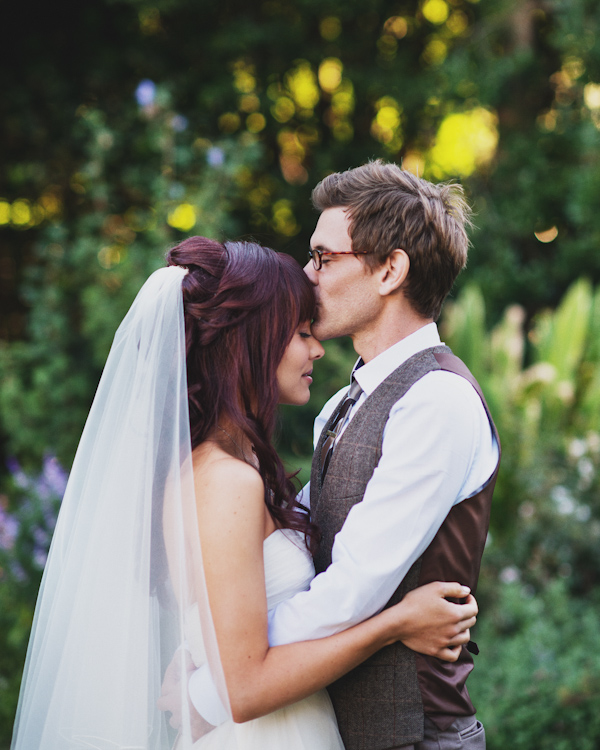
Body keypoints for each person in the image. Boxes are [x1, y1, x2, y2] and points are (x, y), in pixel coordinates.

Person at [11, 235, 477, 750]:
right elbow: (246, 686)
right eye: (301, 333)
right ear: (252, 342)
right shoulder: (226, 480)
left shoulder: (238, 465)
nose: (317, 347)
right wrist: (396, 624)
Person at [263, 161, 501, 750]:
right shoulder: (346, 400)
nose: (307, 274)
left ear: (391, 269)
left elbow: (350, 591)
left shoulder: (437, 400)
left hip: (415, 736)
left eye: (324, 258)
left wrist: (228, 661)